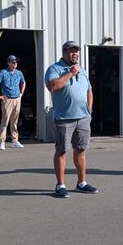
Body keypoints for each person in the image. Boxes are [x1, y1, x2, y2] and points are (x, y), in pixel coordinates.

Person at [44, 41, 98, 198]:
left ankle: (82, 183)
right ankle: (60, 185)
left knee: (80, 149)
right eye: (71, 51)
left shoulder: (83, 71)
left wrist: (89, 109)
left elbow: (89, 90)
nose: (75, 54)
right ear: (64, 52)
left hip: (83, 117)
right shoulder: (54, 69)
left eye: (76, 51)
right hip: (64, 118)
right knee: (61, 150)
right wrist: (70, 73)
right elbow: (52, 86)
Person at [0, 55, 26, 150]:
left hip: (17, 98)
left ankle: (15, 140)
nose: (15, 64)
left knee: (15, 121)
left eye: (16, 62)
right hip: (7, 99)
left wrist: (21, 93)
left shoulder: (19, 73)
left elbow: (23, 82)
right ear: (9, 63)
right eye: (13, 62)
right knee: (5, 121)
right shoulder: (3, 72)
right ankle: (2, 141)